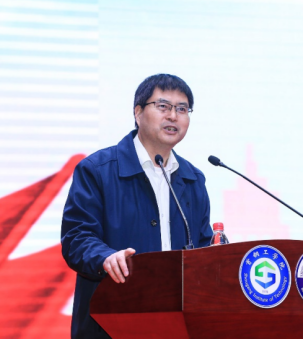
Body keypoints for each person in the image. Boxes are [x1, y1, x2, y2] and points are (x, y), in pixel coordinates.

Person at [61, 73, 214, 338]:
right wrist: (105, 257)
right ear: (138, 112)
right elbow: (76, 237)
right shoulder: (97, 170)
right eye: (163, 106)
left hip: (176, 326)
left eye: (182, 109)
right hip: (111, 324)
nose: (173, 116)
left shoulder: (193, 179)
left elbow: (202, 246)